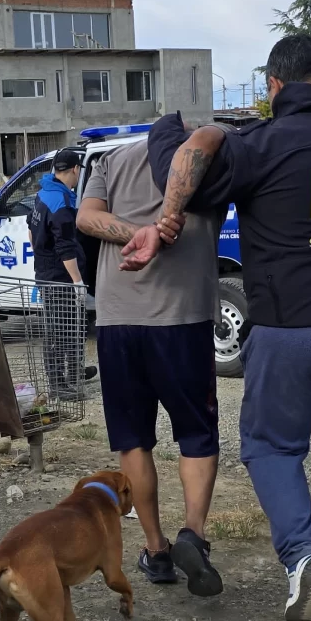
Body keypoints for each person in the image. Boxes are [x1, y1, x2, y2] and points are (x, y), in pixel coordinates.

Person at [123, 34, 311, 621]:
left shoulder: (263, 143)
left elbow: (181, 173)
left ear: (275, 86)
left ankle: (304, 555)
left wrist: (169, 131)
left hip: (297, 324)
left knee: (270, 444)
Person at [76, 135, 229, 597]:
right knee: (197, 435)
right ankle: (194, 536)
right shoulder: (214, 157)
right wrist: (159, 231)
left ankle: (156, 549)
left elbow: (85, 218)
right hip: (182, 319)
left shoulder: (110, 158)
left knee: (133, 440)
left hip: (119, 319)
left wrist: (133, 231)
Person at [28, 149, 97, 399]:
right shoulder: (61, 203)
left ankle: (74, 372)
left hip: (48, 270)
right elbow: (65, 246)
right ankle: (58, 385)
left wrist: (40, 256)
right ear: (76, 170)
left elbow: (31, 228)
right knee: (60, 330)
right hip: (59, 277)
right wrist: (77, 281)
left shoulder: (44, 193)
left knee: (73, 326)